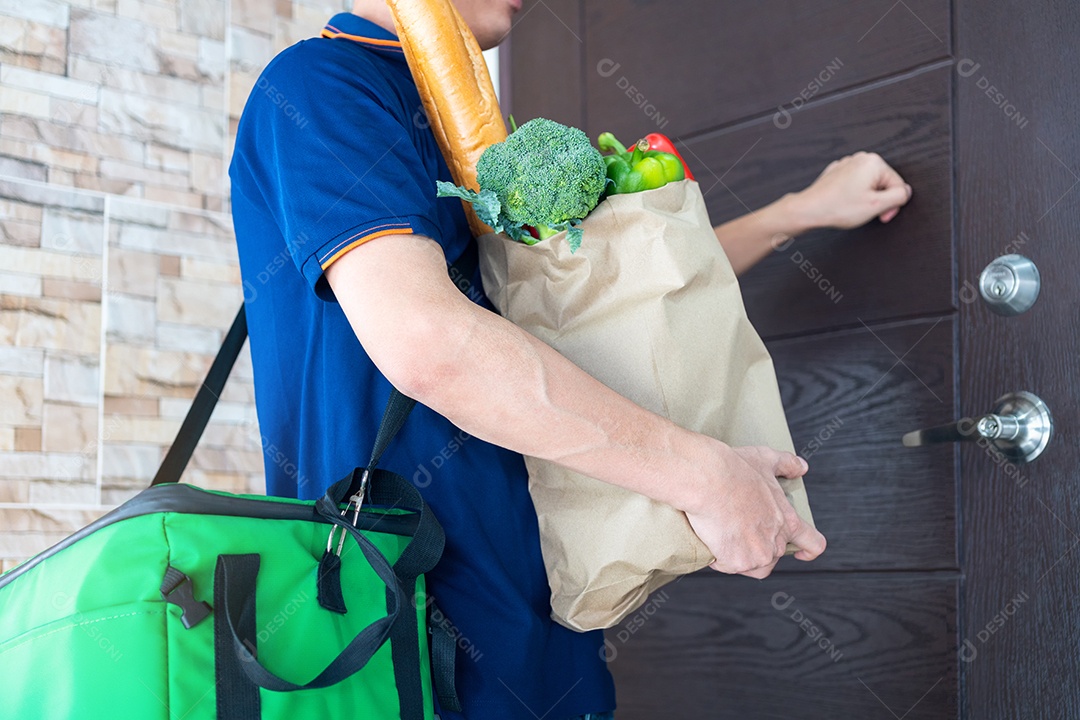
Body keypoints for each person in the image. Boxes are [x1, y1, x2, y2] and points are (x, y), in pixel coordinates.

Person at [228, 0, 912, 717]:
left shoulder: (476, 125)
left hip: (545, 632)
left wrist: (797, 212)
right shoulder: (325, 83)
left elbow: (606, 306)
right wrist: (705, 476)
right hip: (400, 642)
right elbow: (428, 342)